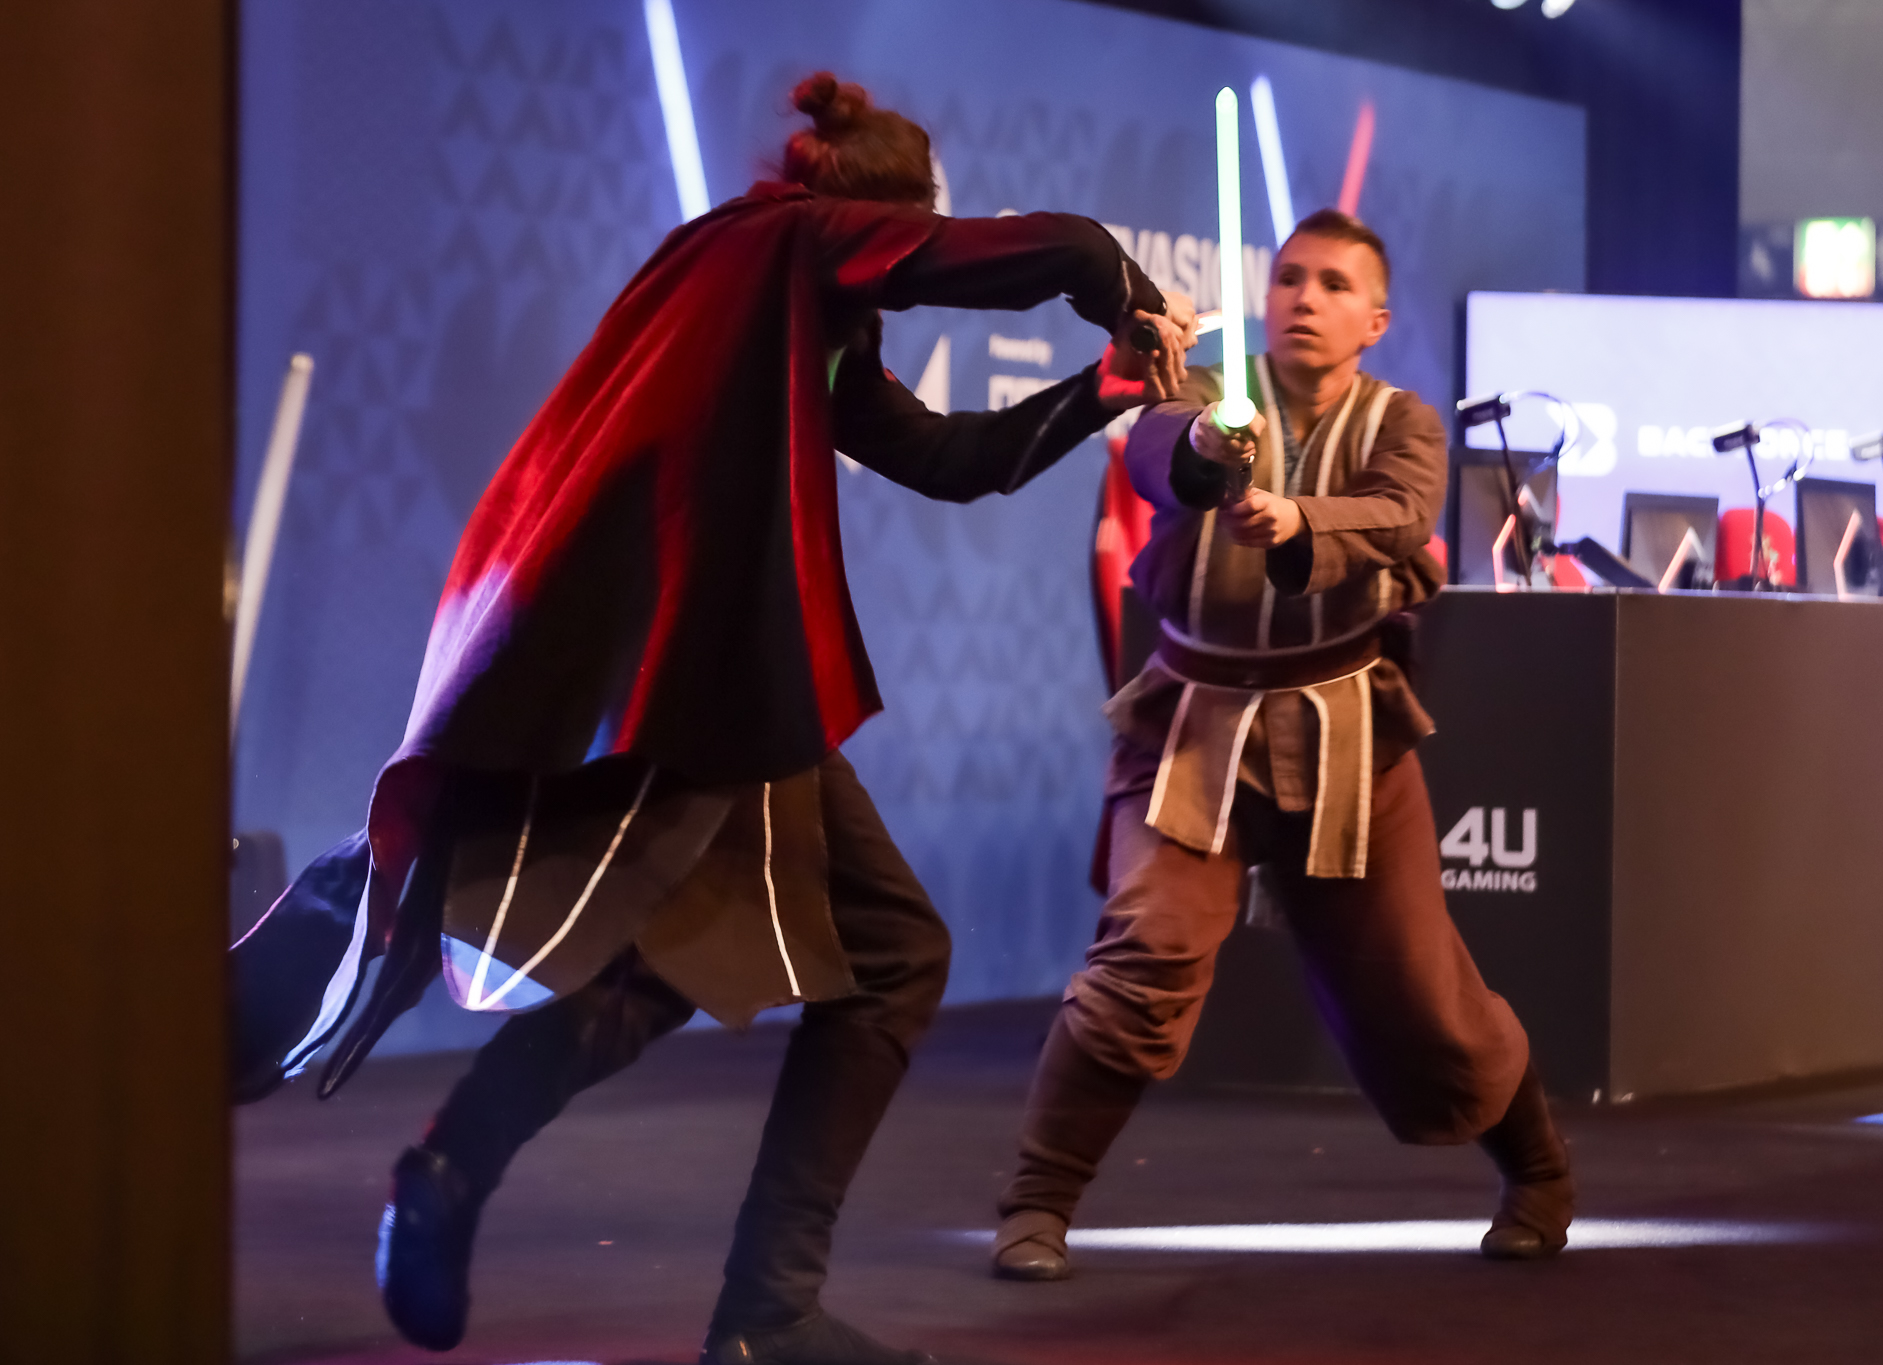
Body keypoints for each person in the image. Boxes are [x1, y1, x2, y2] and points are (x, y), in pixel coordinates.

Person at [230, 72, 1195, 1365]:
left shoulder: (799, 309)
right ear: (885, 217)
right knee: (880, 953)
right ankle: (757, 1310)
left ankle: (490, 1180)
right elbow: (1062, 249)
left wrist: (1105, 385)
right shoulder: (776, 244)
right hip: (678, 668)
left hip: (699, 678)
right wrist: (1126, 292)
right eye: (917, 229)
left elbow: (951, 461)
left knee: (696, 952)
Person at [989, 209, 1573, 1283]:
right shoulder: (1208, 390)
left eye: (1335, 284)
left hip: (1344, 727)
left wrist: (1299, 522)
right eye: (1292, 278)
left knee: (1420, 998)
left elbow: (1402, 515)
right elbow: (1155, 454)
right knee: (1145, 956)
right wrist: (1208, 453)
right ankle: (1036, 1203)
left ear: (1374, 319)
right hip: (1192, 726)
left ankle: (1538, 1171)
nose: (1306, 297)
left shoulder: (1404, 421)